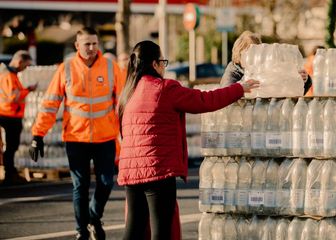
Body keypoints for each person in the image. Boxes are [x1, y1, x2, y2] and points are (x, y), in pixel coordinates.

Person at [117, 40, 259, 240]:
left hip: (130, 170)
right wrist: (239, 88)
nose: (164, 68)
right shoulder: (164, 89)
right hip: (157, 169)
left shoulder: (127, 93)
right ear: (155, 64)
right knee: (162, 230)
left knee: (134, 230)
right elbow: (205, 100)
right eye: (163, 62)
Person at [29, 27, 123, 240]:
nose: (91, 48)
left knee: (107, 183)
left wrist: (127, 132)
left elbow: (123, 103)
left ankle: (94, 217)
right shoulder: (66, 69)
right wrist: (37, 135)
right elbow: (50, 104)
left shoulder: (111, 68)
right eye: (87, 44)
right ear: (77, 45)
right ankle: (81, 231)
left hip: (105, 138)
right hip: (76, 138)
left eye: (95, 43)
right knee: (80, 186)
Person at [220, 30, 311, 95]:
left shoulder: (263, 66)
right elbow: (226, 95)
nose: (256, 56)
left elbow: (283, 89)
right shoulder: (232, 72)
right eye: (251, 53)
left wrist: (300, 79)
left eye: (258, 52)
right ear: (240, 54)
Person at [0, 50, 37, 185]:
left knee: (11, 147)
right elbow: (13, 97)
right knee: (11, 147)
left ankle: (11, 173)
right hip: (9, 115)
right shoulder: (8, 75)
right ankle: (10, 175)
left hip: (9, 114)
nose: (25, 69)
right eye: (25, 65)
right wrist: (28, 90)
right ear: (19, 61)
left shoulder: (10, 74)